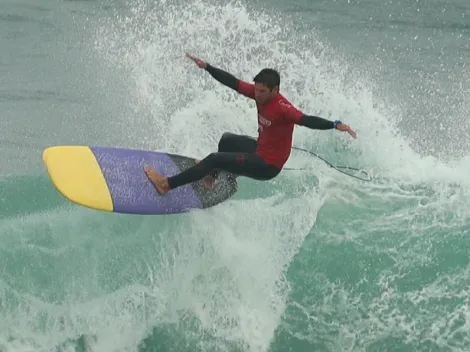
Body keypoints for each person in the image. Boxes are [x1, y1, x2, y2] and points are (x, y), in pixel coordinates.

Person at [143, 53, 357, 195]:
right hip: (260, 149)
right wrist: (207, 67)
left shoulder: (283, 108)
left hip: (267, 165)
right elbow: (233, 82)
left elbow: (307, 120)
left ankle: (166, 184)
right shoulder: (259, 93)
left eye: (262, 91)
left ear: (275, 90)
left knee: (213, 158)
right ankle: (211, 177)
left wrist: (334, 124)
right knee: (227, 140)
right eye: (256, 89)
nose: (257, 94)